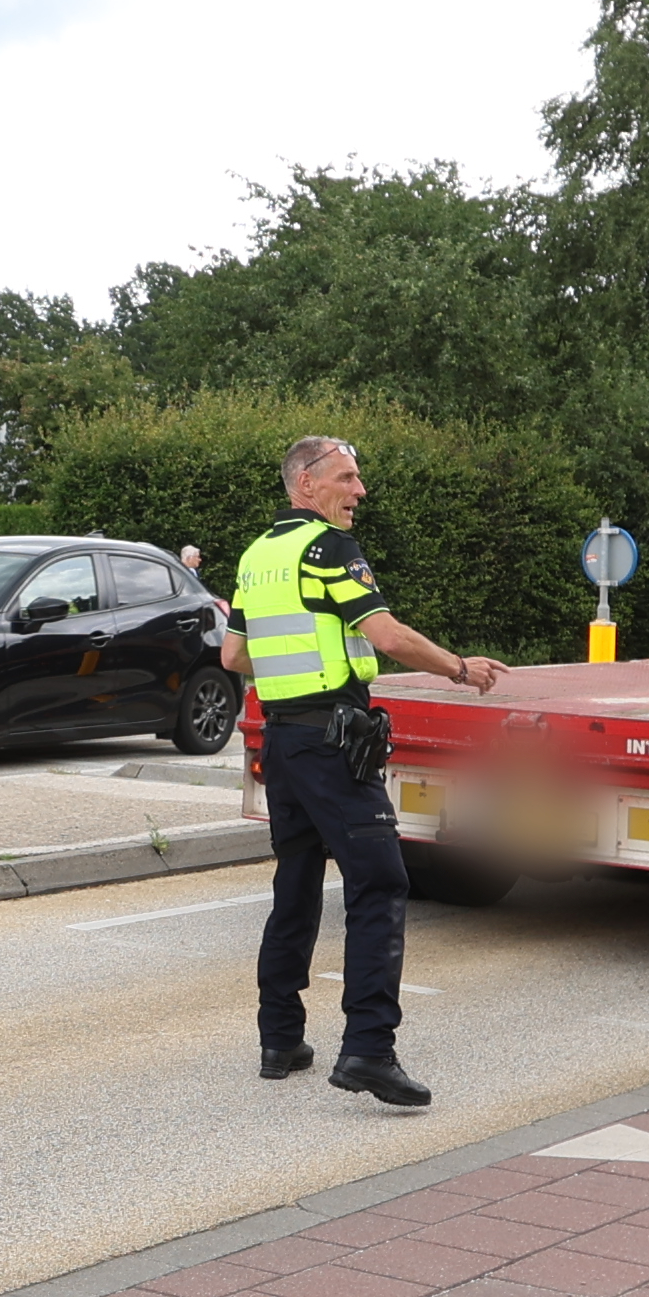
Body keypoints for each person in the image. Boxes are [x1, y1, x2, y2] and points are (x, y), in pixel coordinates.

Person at [227, 434, 506, 1111]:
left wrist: (295, 674)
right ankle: (369, 1051)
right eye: (347, 478)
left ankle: (280, 1040)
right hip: (331, 741)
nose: (359, 491)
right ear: (307, 484)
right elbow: (387, 635)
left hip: (284, 740)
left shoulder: (258, 554)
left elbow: (234, 657)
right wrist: (459, 668)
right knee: (380, 883)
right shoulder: (328, 548)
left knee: (296, 884)